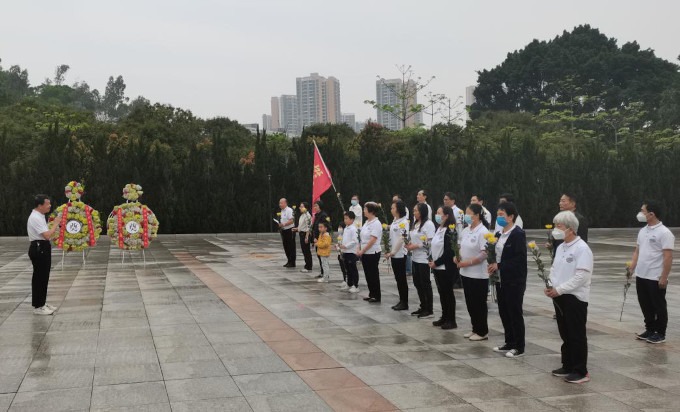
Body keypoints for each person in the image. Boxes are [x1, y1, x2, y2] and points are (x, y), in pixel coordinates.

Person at [545, 211, 593, 384]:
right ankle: (568, 364)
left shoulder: (582, 249)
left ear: (571, 229)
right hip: (559, 295)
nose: (556, 230)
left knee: (576, 334)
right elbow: (554, 269)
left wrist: (560, 289)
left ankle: (580, 370)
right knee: (565, 332)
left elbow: (582, 277)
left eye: (559, 226)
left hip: (574, 297)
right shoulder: (561, 247)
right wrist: (550, 284)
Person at [631, 201, 675, 344]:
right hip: (641, 274)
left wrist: (664, 277)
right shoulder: (643, 231)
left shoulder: (664, 233)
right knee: (645, 304)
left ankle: (660, 333)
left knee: (658, 305)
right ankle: (650, 329)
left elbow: (668, 256)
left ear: (651, 214)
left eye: (643, 211)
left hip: (655, 276)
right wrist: (632, 268)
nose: (640, 213)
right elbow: (637, 251)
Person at [488, 202, 527, 358]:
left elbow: (519, 259)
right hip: (500, 279)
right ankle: (509, 342)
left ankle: (519, 346)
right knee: (504, 311)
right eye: (498, 214)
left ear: (511, 217)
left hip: (513, 280)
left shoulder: (517, 234)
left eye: (502, 215)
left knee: (514, 312)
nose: (499, 217)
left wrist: (499, 265)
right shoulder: (499, 234)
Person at [457, 203, 491, 341]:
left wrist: (468, 262)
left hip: (478, 274)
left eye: (468, 213)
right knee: (470, 303)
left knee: (479, 303)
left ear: (477, 215)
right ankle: (475, 328)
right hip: (465, 273)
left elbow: (484, 253)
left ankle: (482, 331)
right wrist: (456, 256)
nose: (466, 216)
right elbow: (460, 247)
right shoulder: (466, 230)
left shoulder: (483, 232)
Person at [27, 195, 61, 315]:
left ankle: (42, 303)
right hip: (39, 248)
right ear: (40, 205)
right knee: (40, 278)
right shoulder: (35, 217)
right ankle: (38, 307)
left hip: (42, 247)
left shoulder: (40, 215)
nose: (50, 206)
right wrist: (56, 224)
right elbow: (46, 235)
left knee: (43, 277)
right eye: (47, 204)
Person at [429, 206, 457, 329]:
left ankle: (451, 320)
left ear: (446, 216)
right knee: (442, 293)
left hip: (445, 267)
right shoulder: (439, 228)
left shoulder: (450, 230)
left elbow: (449, 252)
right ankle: (444, 316)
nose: (437, 215)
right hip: (437, 267)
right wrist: (432, 260)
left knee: (448, 294)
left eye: (439, 213)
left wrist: (437, 262)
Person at [406, 203, 436, 318]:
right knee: (417, 283)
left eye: (416, 211)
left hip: (424, 258)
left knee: (425, 283)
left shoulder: (428, 224)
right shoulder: (416, 223)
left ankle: (429, 309)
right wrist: (409, 244)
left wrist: (416, 245)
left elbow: (429, 241)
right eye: (413, 211)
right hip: (415, 257)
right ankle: (423, 306)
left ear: (422, 211)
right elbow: (414, 237)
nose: (414, 213)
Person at [385, 200, 409, 310]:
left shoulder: (404, 222)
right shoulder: (395, 221)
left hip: (399, 254)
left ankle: (404, 302)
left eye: (393, 208)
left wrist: (393, 251)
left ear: (398, 209)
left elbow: (402, 238)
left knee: (401, 279)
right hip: (393, 254)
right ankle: (401, 300)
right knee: (398, 279)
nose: (391, 210)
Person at [548, 193, 589, 258]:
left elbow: (583, 239)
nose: (560, 203)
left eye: (563, 201)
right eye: (560, 201)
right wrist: (552, 245)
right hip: (558, 255)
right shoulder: (559, 217)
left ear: (573, 204)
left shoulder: (579, 219)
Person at [358, 202, 382, 303]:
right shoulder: (367, 222)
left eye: (365, 209)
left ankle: (376, 296)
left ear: (371, 211)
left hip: (372, 252)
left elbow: (373, 239)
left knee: (373, 274)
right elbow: (362, 237)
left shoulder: (376, 223)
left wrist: (362, 250)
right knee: (368, 274)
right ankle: (371, 293)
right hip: (365, 252)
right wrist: (360, 248)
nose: (364, 211)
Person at [339, 211, 360, 293]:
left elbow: (355, 241)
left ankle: (356, 285)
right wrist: (341, 247)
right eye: (344, 218)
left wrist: (346, 246)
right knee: (347, 269)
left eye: (346, 218)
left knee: (353, 269)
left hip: (351, 252)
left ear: (352, 219)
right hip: (346, 252)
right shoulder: (346, 228)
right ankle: (349, 284)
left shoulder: (353, 229)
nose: (345, 220)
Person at [311, 201, 329, 279]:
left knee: (323, 257)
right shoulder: (317, 215)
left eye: (316, 206)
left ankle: (325, 274)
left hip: (321, 238)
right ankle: (322, 272)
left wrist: (320, 237)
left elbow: (326, 226)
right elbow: (315, 227)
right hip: (317, 239)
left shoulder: (323, 215)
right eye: (314, 206)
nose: (315, 207)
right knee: (319, 256)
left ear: (320, 206)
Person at [295, 202, 313, 273]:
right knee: (304, 250)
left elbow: (309, 227)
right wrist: (297, 229)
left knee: (306, 251)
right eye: (300, 207)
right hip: (301, 233)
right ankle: (307, 265)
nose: (300, 208)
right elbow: (302, 226)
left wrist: (307, 236)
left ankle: (308, 266)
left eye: (302, 207)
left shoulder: (307, 216)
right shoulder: (302, 215)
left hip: (305, 234)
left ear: (306, 208)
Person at [278, 198, 296, 268]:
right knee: (286, 246)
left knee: (291, 246)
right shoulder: (282, 211)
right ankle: (289, 261)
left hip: (290, 230)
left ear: (285, 203)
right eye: (279, 203)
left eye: (281, 203)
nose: (280, 204)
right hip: (284, 230)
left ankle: (292, 262)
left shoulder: (289, 210)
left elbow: (292, 221)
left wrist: (284, 224)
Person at [336, 223, 349, 289]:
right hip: (339, 253)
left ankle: (348, 281)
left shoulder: (345, 235)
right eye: (339, 227)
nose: (339, 229)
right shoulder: (340, 235)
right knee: (342, 268)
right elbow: (339, 243)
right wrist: (337, 246)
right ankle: (344, 279)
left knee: (345, 268)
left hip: (344, 253)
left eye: (340, 227)